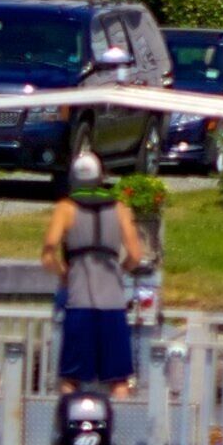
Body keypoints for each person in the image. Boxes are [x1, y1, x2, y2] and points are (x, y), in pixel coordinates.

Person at [42, 150, 149, 390]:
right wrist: (119, 272)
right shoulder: (119, 208)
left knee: (70, 378)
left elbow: (48, 251)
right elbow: (135, 255)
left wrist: (63, 274)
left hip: (79, 302)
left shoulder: (66, 208)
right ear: (101, 176)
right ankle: (120, 426)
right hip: (112, 304)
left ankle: (69, 424)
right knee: (119, 380)